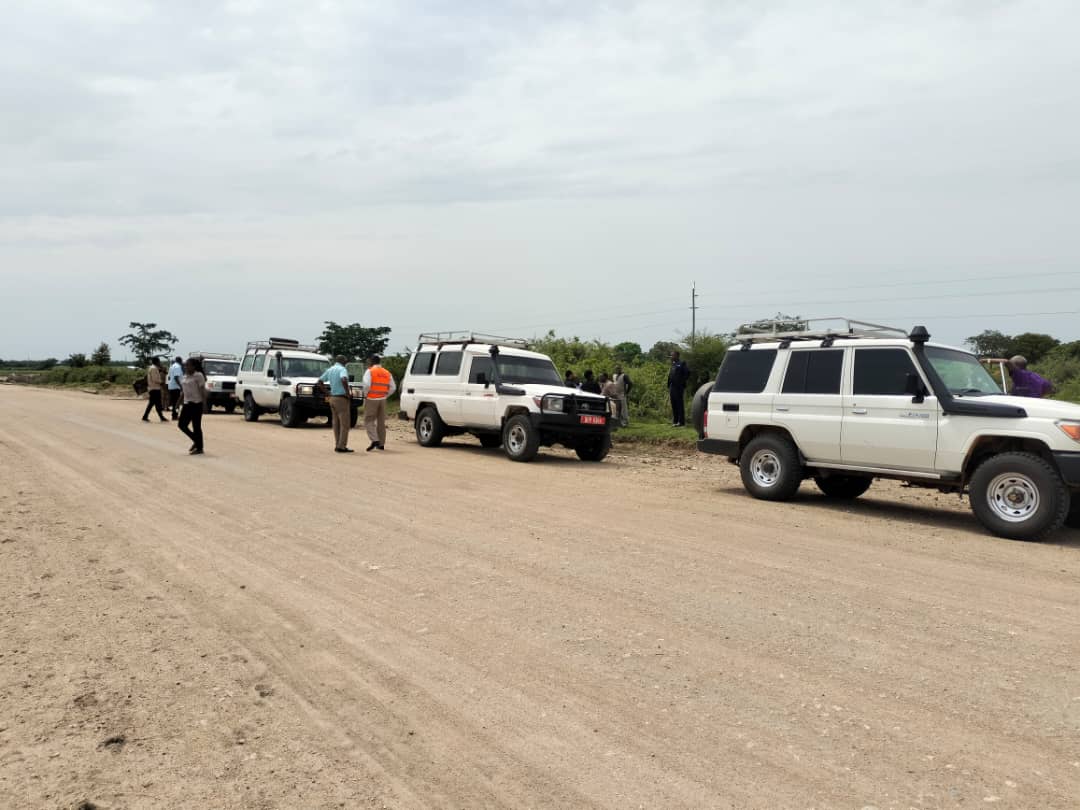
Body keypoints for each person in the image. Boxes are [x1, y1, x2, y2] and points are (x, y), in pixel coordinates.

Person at [320, 355, 354, 453]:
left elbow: (320, 381)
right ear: (343, 361)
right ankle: (342, 446)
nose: (346, 362)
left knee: (336, 423)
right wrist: (347, 393)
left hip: (332, 398)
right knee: (345, 424)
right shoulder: (342, 369)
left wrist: (327, 393)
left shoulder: (330, 369)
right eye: (345, 360)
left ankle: (337, 444)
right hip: (341, 399)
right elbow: (343, 379)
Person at [362, 354, 396, 451]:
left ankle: (375, 440)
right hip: (383, 399)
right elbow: (393, 388)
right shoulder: (387, 372)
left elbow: (366, 385)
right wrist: (385, 395)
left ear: (371, 362)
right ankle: (381, 444)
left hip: (371, 399)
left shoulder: (370, 371)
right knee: (381, 422)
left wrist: (366, 395)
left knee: (369, 420)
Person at [178, 358, 207, 455]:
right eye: (185, 365)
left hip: (196, 404)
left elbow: (202, 390)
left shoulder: (198, 375)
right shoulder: (184, 376)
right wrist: (178, 403)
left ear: (194, 366)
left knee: (196, 426)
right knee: (181, 425)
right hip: (187, 404)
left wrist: (204, 404)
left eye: (188, 365)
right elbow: (183, 391)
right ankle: (197, 441)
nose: (186, 367)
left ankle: (199, 448)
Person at [141, 358, 168, 422]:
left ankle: (159, 417)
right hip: (154, 388)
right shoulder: (154, 368)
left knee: (155, 403)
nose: (160, 363)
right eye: (159, 362)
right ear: (157, 362)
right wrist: (161, 382)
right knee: (155, 403)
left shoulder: (153, 368)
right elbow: (155, 379)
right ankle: (160, 417)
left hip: (154, 388)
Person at [668, 351, 690, 426]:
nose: (671, 357)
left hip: (679, 387)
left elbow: (687, 373)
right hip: (672, 387)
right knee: (673, 404)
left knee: (679, 404)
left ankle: (681, 422)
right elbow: (671, 375)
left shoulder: (682, 363)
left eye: (672, 355)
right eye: (671, 355)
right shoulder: (673, 364)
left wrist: (681, 382)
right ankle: (675, 421)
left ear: (677, 356)